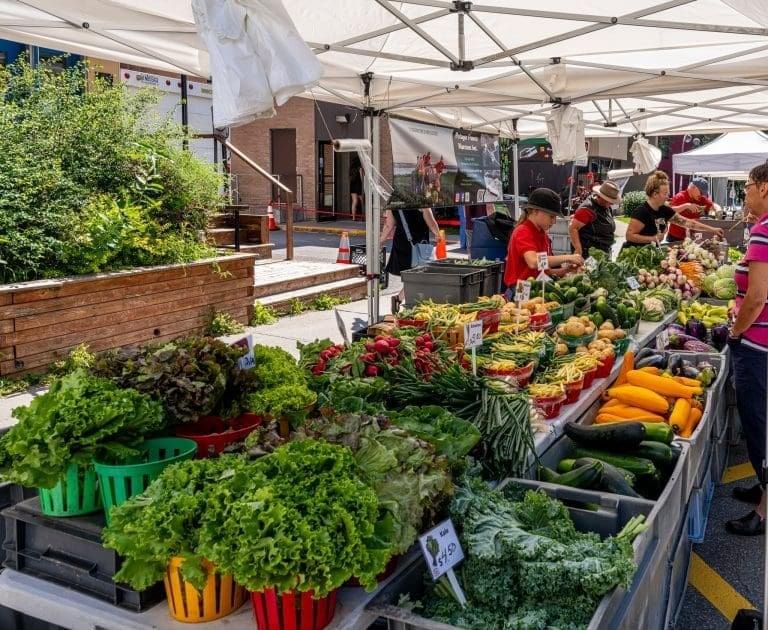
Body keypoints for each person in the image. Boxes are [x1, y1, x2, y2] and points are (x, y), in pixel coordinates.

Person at [725, 162, 768, 536]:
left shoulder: (763, 232)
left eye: (748, 187)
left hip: (757, 347)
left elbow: (756, 298)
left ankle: (763, 511)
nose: (746, 194)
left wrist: (735, 332)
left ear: (765, 188)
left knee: (759, 427)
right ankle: (762, 483)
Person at [503, 187, 584, 288]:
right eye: (551, 216)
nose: (554, 221)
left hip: (536, 289)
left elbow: (546, 272)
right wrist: (568, 257)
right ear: (535, 211)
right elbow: (533, 262)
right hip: (521, 289)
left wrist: (567, 270)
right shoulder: (523, 231)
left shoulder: (543, 235)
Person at [624, 171, 719, 248]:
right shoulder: (642, 212)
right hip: (636, 255)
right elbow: (629, 235)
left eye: (668, 193)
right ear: (655, 194)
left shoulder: (664, 210)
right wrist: (653, 238)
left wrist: (713, 229)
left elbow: (688, 223)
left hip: (652, 251)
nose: (667, 197)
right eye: (665, 193)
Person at [380, 206, 441, 310]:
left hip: (401, 243)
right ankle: (405, 302)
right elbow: (430, 220)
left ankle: (401, 299)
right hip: (418, 245)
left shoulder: (394, 199)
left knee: (416, 277)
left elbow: (388, 225)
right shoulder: (419, 198)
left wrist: (380, 241)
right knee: (420, 275)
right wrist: (438, 234)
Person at [569, 180, 621, 257]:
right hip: (590, 253)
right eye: (610, 201)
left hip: (603, 251)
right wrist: (578, 249)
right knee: (590, 269)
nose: (612, 203)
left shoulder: (605, 207)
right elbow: (572, 228)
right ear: (601, 197)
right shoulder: (587, 209)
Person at [666, 177, 724, 242]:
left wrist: (718, 210)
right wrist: (686, 206)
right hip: (675, 238)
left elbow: (713, 205)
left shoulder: (700, 198)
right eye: (701, 192)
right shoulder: (680, 197)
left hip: (691, 236)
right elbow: (669, 211)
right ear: (693, 187)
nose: (702, 195)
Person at [349, 156, 364, 221]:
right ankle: (364, 217)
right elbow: (362, 178)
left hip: (352, 185)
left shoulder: (351, 168)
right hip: (359, 185)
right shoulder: (360, 168)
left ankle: (353, 218)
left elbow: (350, 177)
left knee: (354, 201)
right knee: (362, 201)